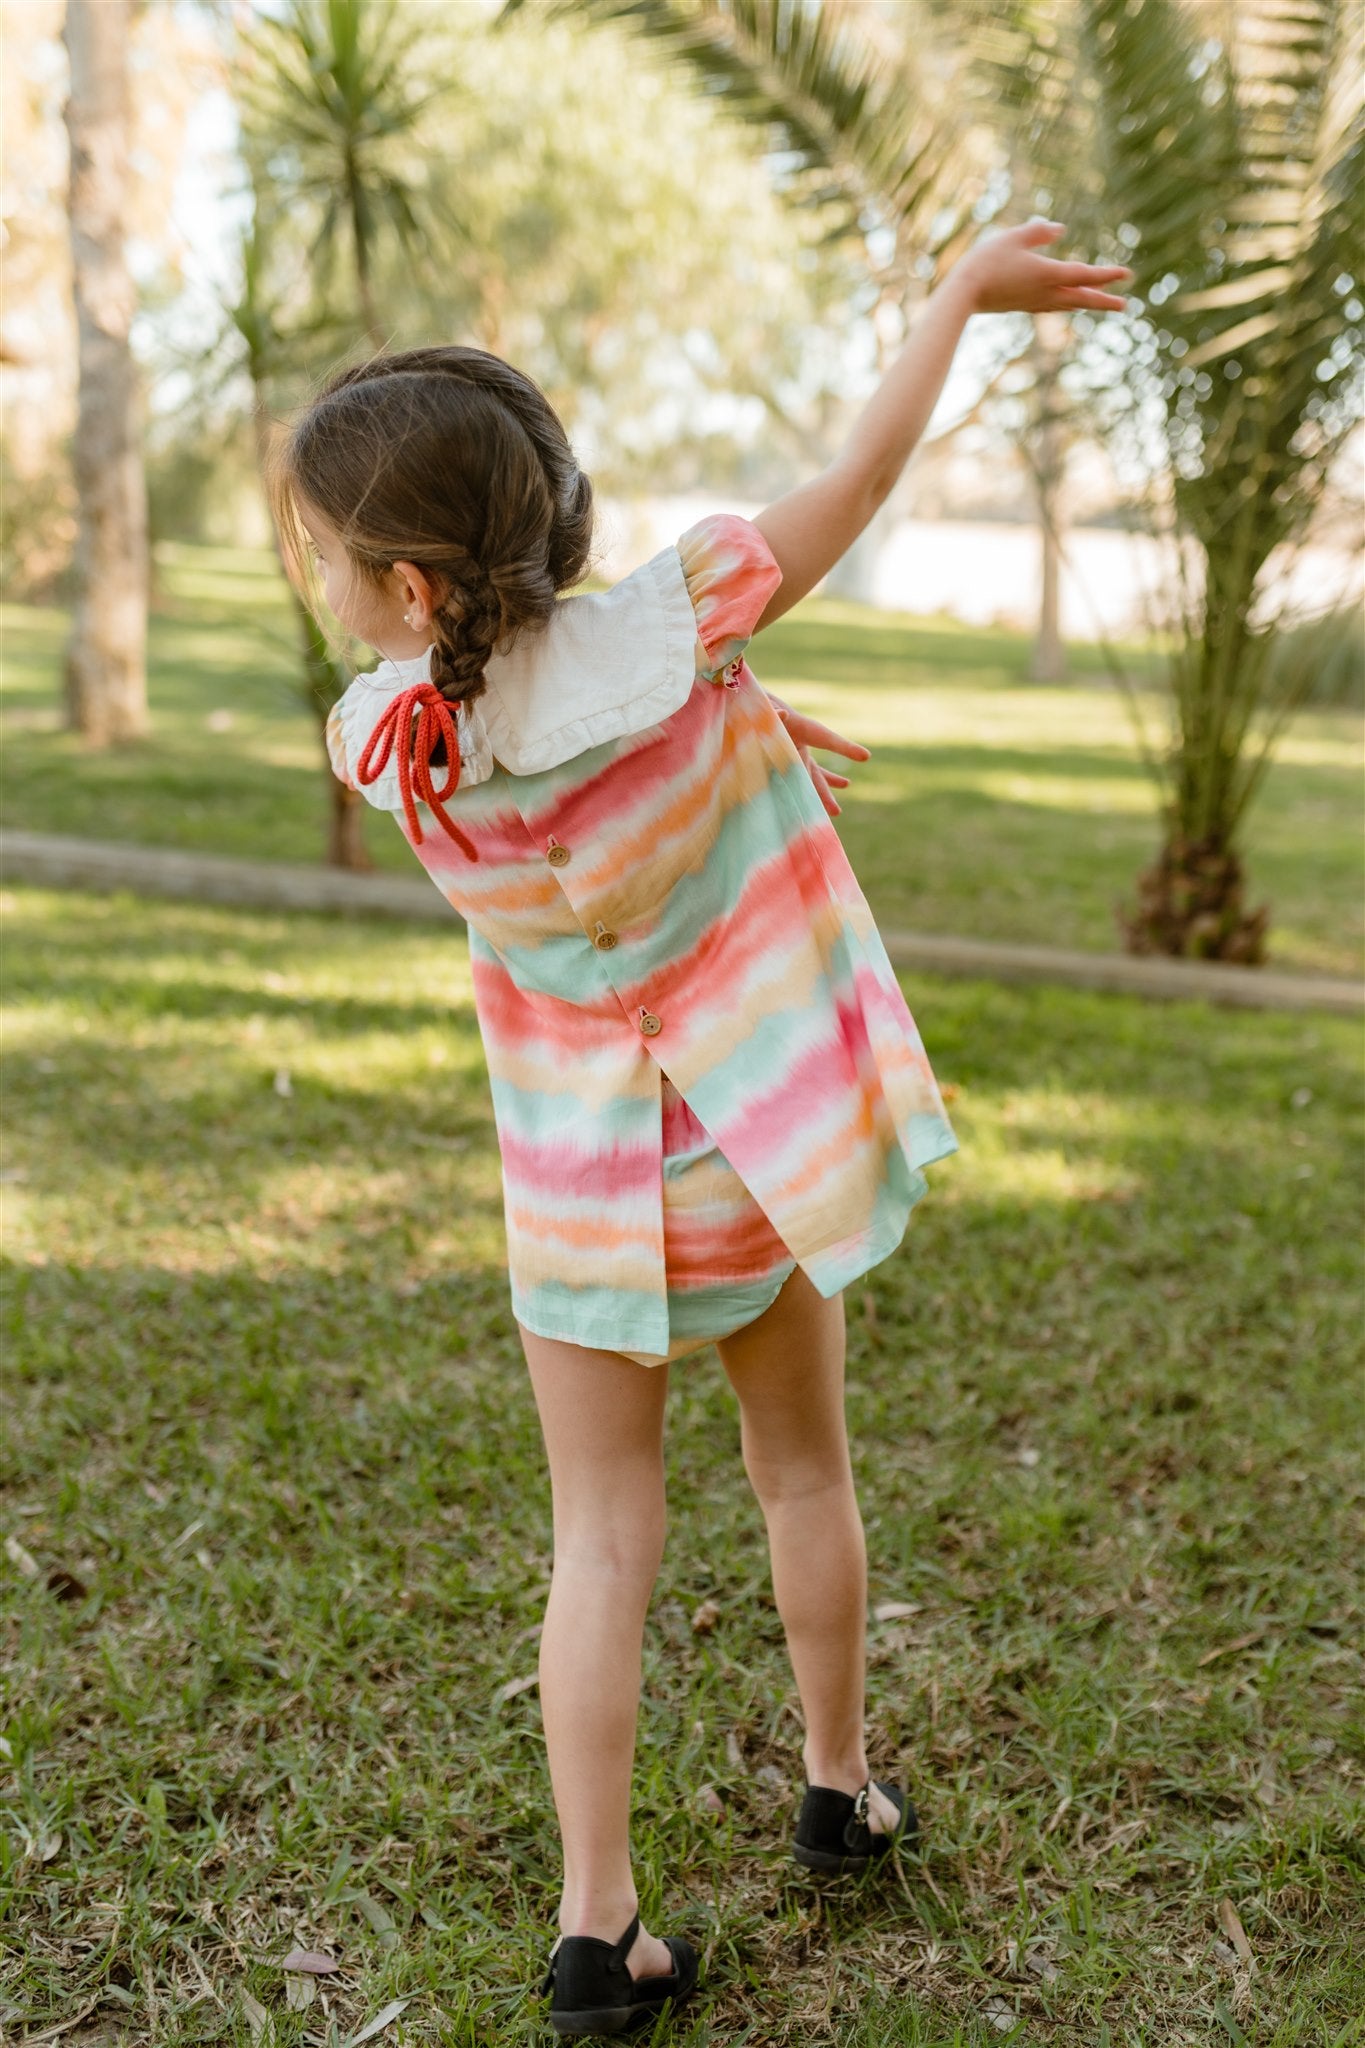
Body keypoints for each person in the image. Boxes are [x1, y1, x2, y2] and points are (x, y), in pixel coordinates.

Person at [272, 218, 1130, 2037]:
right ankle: (837, 1787)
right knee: (802, 1475)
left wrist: (723, 709)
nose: (320, 580)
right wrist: (954, 297)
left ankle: (600, 1933)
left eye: (331, 553)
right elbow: (859, 475)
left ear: (411, 591)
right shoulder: (690, 622)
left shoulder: (384, 744)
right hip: (749, 1168)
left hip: (585, 1205)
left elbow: (519, 729)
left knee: (600, 1542)